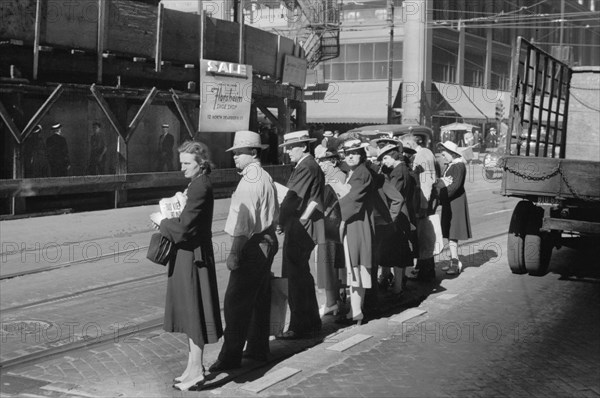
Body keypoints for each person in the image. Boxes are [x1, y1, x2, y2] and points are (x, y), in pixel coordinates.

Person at [149, 140, 223, 391]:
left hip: (193, 257)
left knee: (194, 312)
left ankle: (197, 370)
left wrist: (162, 221)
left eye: (187, 163)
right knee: (191, 312)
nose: (182, 168)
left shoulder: (200, 187)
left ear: (201, 163)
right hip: (188, 256)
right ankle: (193, 367)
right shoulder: (196, 184)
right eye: (181, 163)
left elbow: (183, 230)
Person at [208, 131, 279, 372]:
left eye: (240, 153)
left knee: (235, 302)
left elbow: (243, 223)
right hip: (267, 241)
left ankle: (230, 357)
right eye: (235, 153)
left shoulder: (250, 180)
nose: (235, 157)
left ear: (254, 153)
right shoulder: (264, 175)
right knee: (259, 297)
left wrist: (234, 253)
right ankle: (258, 349)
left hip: (253, 244)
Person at [276, 130, 325, 340]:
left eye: (290, 147)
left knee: (295, 276)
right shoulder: (309, 165)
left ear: (304, 147)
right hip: (303, 226)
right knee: (301, 275)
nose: (287, 152)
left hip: (300, 227)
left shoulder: (305, 166)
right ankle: (310, 322)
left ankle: (300, 326)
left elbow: (291, 199)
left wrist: (279, 220)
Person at [337, 139, 375, 325]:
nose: (350, 156)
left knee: (357, 266)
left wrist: (334, 208)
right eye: (347, 153)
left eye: (355, 152)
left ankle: (357, 311)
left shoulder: (361, 174)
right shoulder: (355, 172)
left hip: (357, 224)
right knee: (354, 267)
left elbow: (352, 200)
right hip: (354, 222)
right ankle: (355, 310)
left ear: (362, 154)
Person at [376, 142, 415, 296]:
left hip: (398, 216)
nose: (384, 162)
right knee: (392, 250)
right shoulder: (401, 169)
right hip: (401, 214)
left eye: (385, 158)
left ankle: (398, 286)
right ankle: (388, 279)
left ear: (393, 156)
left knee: (398, 252)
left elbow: (392, 194)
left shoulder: (398, 172)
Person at [314, 146, 347, 317]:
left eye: (323, 160)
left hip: (332, 227)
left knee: (329, 264)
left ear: (333, 161)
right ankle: (334, 300)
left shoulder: (337, 177)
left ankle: (332, 302)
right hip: (331, 226)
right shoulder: (329, 177)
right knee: (332, 264)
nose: (320, 164)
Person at [401, 134, 438, 282]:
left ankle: (426, 272)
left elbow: (426, 181)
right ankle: (424, 269)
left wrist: (423, 205)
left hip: (423, 203)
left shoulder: (422, 155)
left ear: (410, 143)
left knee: (424, 237)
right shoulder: (425, 153)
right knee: (424, 238)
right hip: (425, 201)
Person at [436, 141, 472, 275]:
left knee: (453, 233)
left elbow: (454, 187)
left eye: (445, 154)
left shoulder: (458, 166)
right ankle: (453, 260)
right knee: (450, 233)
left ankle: (455, 263)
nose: (443, 157)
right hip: (450, 201)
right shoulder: (453, 165)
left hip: (454, 202)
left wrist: (439, 195)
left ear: (452, 153)